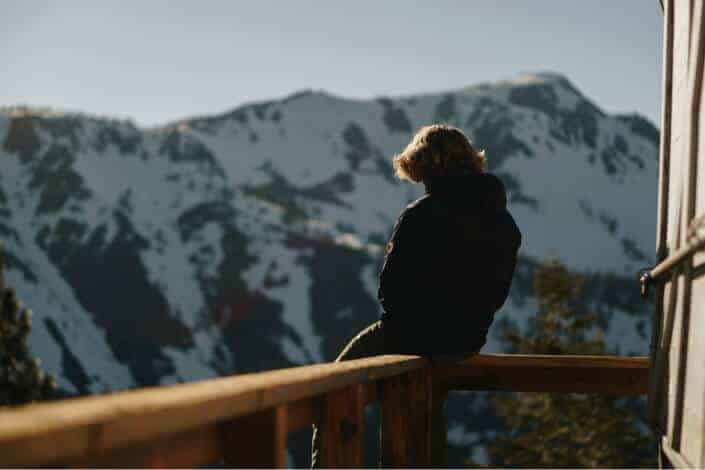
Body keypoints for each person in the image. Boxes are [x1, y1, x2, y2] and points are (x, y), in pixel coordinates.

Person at [311, 124, 522, 467]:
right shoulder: (503, 221)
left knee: (335, 386)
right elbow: (497, 292)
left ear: (427, 167)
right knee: (426, 416)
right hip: (466, 341)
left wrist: (412, 317)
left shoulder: (421, 215)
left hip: (410, 335)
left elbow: (390, 290)